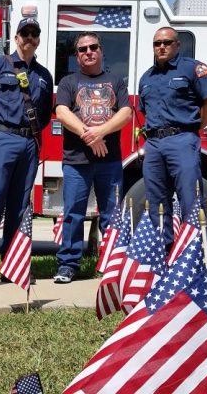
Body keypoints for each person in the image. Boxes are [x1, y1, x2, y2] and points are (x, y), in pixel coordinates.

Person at [0, 17, 54, 290]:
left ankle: (12, 266)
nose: (29, 37)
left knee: (19, 208)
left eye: (34, 33)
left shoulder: (44, 75)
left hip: (29, 145)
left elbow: (44, 115)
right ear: (16, 38)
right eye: (24, 33)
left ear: (38, 39)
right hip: (3, 139)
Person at [53, 31, 131, 283]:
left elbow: (126, 113)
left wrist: (100, 132)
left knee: (111, 214)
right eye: (82, 49)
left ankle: (111, 264)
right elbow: (62, 112)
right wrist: (89, 135)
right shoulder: (68, 81)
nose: (88, 52)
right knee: (73, 213)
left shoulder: (116, 81)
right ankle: (68, 265)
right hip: (76, 161)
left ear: (101, 50)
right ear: (77, 56)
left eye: (93, 47)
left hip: (109, 161)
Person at [138, 27, 207, 252]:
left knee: (190, 199)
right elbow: (145, 110)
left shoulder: (193, 68)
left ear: (177, 45)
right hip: (154, 144)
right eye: (157, 43)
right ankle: (161, 252)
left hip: (182, 140)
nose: (161, 47)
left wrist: (195, 127)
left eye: (167, 42)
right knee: (156, 201)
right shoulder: (147, 77)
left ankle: (196, 251)